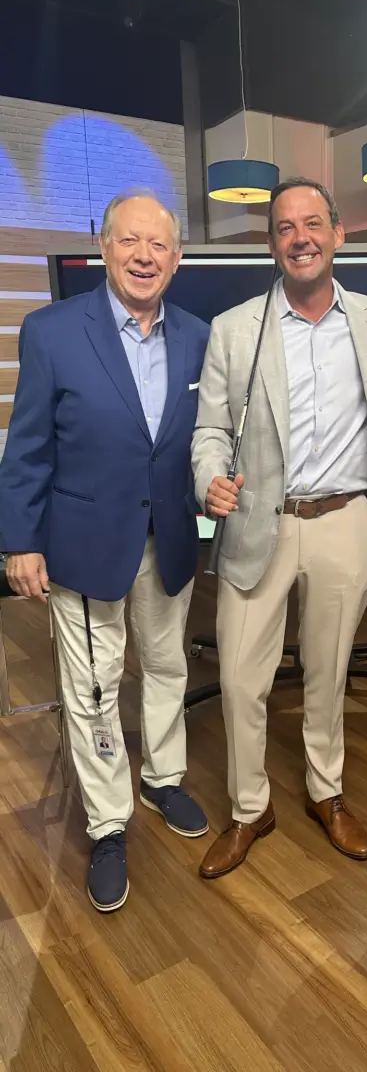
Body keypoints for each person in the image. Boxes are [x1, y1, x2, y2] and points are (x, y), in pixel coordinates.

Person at [0, 189, 211, 913]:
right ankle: (109, 822)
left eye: (159, 245)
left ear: (177, 259)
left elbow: (200, 439)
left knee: (163, 664)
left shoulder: (196, 335)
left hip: (170, 538)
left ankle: (162, 778)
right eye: (130, 241)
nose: (144, 256)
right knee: (92, 689)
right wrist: (21, 541)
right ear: (104, 245)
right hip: (84, 544)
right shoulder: (53, 331)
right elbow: (27, 447)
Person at [191, 177, 367, 877]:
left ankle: (325, 792)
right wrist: (209, 478)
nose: (300, 237)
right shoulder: (235, 329)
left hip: (346, 522)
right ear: (272, 243)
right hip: (260, 522)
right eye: (285, 227)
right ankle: (250, 808)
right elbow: (211, 430)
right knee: (242, 680)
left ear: (338, 234)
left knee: (328, 672)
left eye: (312, 223)